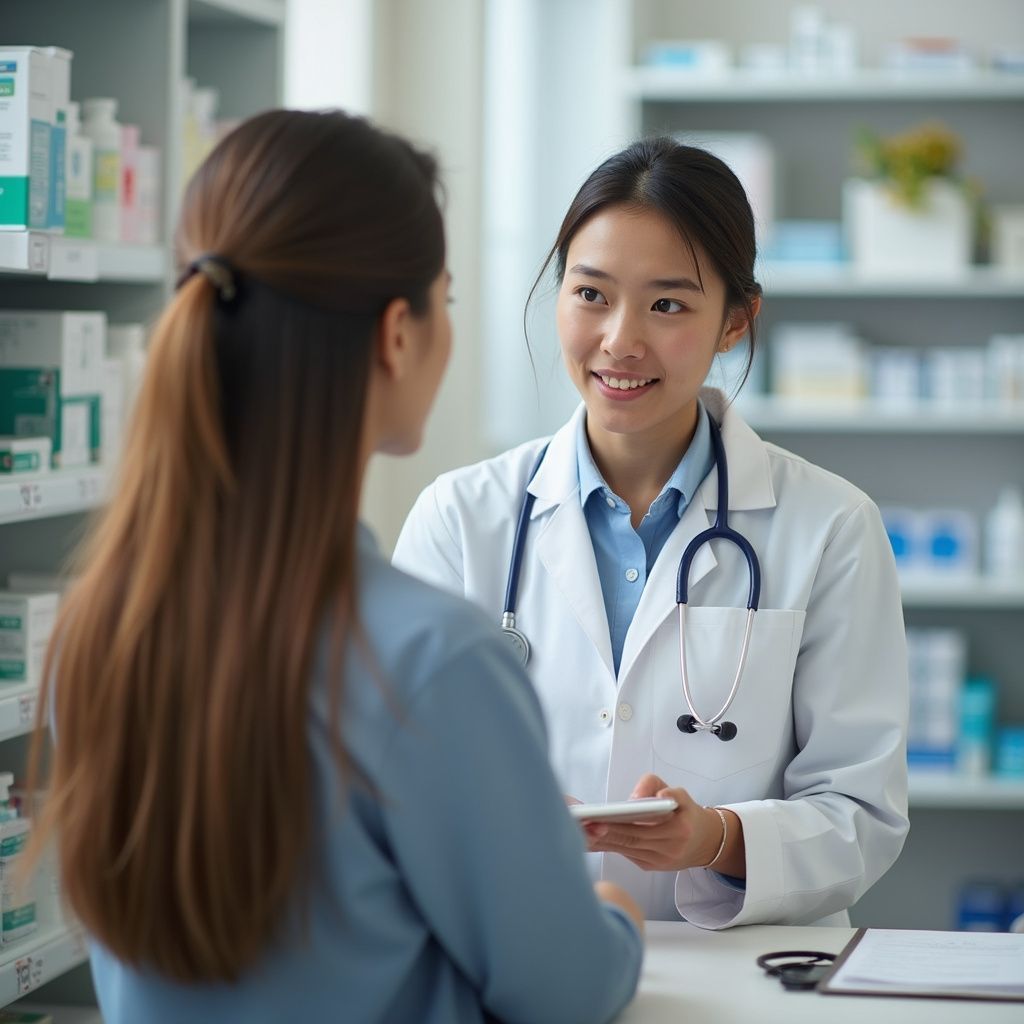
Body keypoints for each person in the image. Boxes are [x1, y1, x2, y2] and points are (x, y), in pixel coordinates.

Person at [30, 110, 643, 1024]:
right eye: (445, 297)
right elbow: (560, 991)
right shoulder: (431, 663)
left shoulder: (99, 631)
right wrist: (613, 919)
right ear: (398, 333)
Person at [394, 136, 910, 930]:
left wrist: (716, 838)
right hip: (517, 959)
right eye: (591, 294)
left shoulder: (832, 528)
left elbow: (861, 814)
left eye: (668, 304)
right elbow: (394, 779)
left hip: (746, 981)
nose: (621, 340)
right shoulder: (461, 519)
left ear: (736, 321)